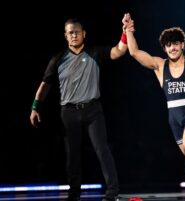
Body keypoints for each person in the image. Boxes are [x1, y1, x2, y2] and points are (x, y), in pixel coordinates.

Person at [30, 14, 131, 201]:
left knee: (102, 149)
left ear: (84, 33)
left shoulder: (95, 53)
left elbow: (119, 51)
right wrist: (35, 107)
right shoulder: (58, 59)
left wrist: (125, 32)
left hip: (93, 110)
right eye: (70, 33)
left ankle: (112, 192)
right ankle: (74, 194)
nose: (74, 35)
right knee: (72, 155)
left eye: (77, 32)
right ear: (65, 36)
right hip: (68, 113)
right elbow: (45, 84)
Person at [125, 18, 185, 200]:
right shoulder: (159, 66)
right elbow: (135, 52)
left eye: (175, 44)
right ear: (164, 48)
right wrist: (129, 30)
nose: (172, 48)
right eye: (168, 45)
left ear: (182, 45)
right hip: (173, 117)